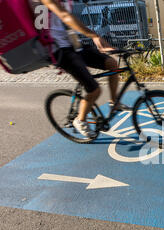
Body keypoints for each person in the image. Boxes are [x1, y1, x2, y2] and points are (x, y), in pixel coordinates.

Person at [41, 0, 120, 137]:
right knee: (95, 90)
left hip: (74, 44)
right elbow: (65, 16)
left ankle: (114, 103)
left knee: (112, 64)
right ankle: (80, 120)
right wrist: (94, 35)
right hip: (59, 50)